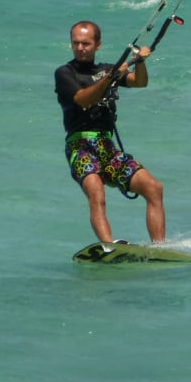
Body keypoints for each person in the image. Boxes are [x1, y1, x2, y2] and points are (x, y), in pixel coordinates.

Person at [55, 20, 166, 245]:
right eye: (75, 43)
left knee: (153, 188)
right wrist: (111, 77)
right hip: (80, 145)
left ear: (98, 45)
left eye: (86, 43)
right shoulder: (65, 73)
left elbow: (140, 82)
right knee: (96, 192)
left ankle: (159, 247)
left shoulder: (106, 69)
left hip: (107, 146)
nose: (80, 48)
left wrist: (140, 62)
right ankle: (108, 245)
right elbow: (84, 100)